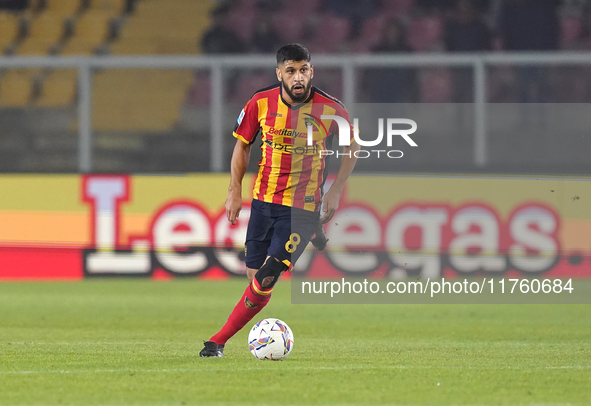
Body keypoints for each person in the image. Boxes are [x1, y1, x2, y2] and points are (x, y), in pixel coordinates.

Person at [200, 43, 360, 357]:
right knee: (254, 280)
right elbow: (243, 146)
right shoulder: (260, 102)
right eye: (291, 71)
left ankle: (216, 342)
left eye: (303, 70)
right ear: (280, 73)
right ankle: (315, 231)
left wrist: (336, 190)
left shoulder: (332, 109)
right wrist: (234, 190)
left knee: (264, 279)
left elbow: (351, 148)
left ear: (311, 70)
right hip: (263, 202)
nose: (298, 77)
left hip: (302, 207)